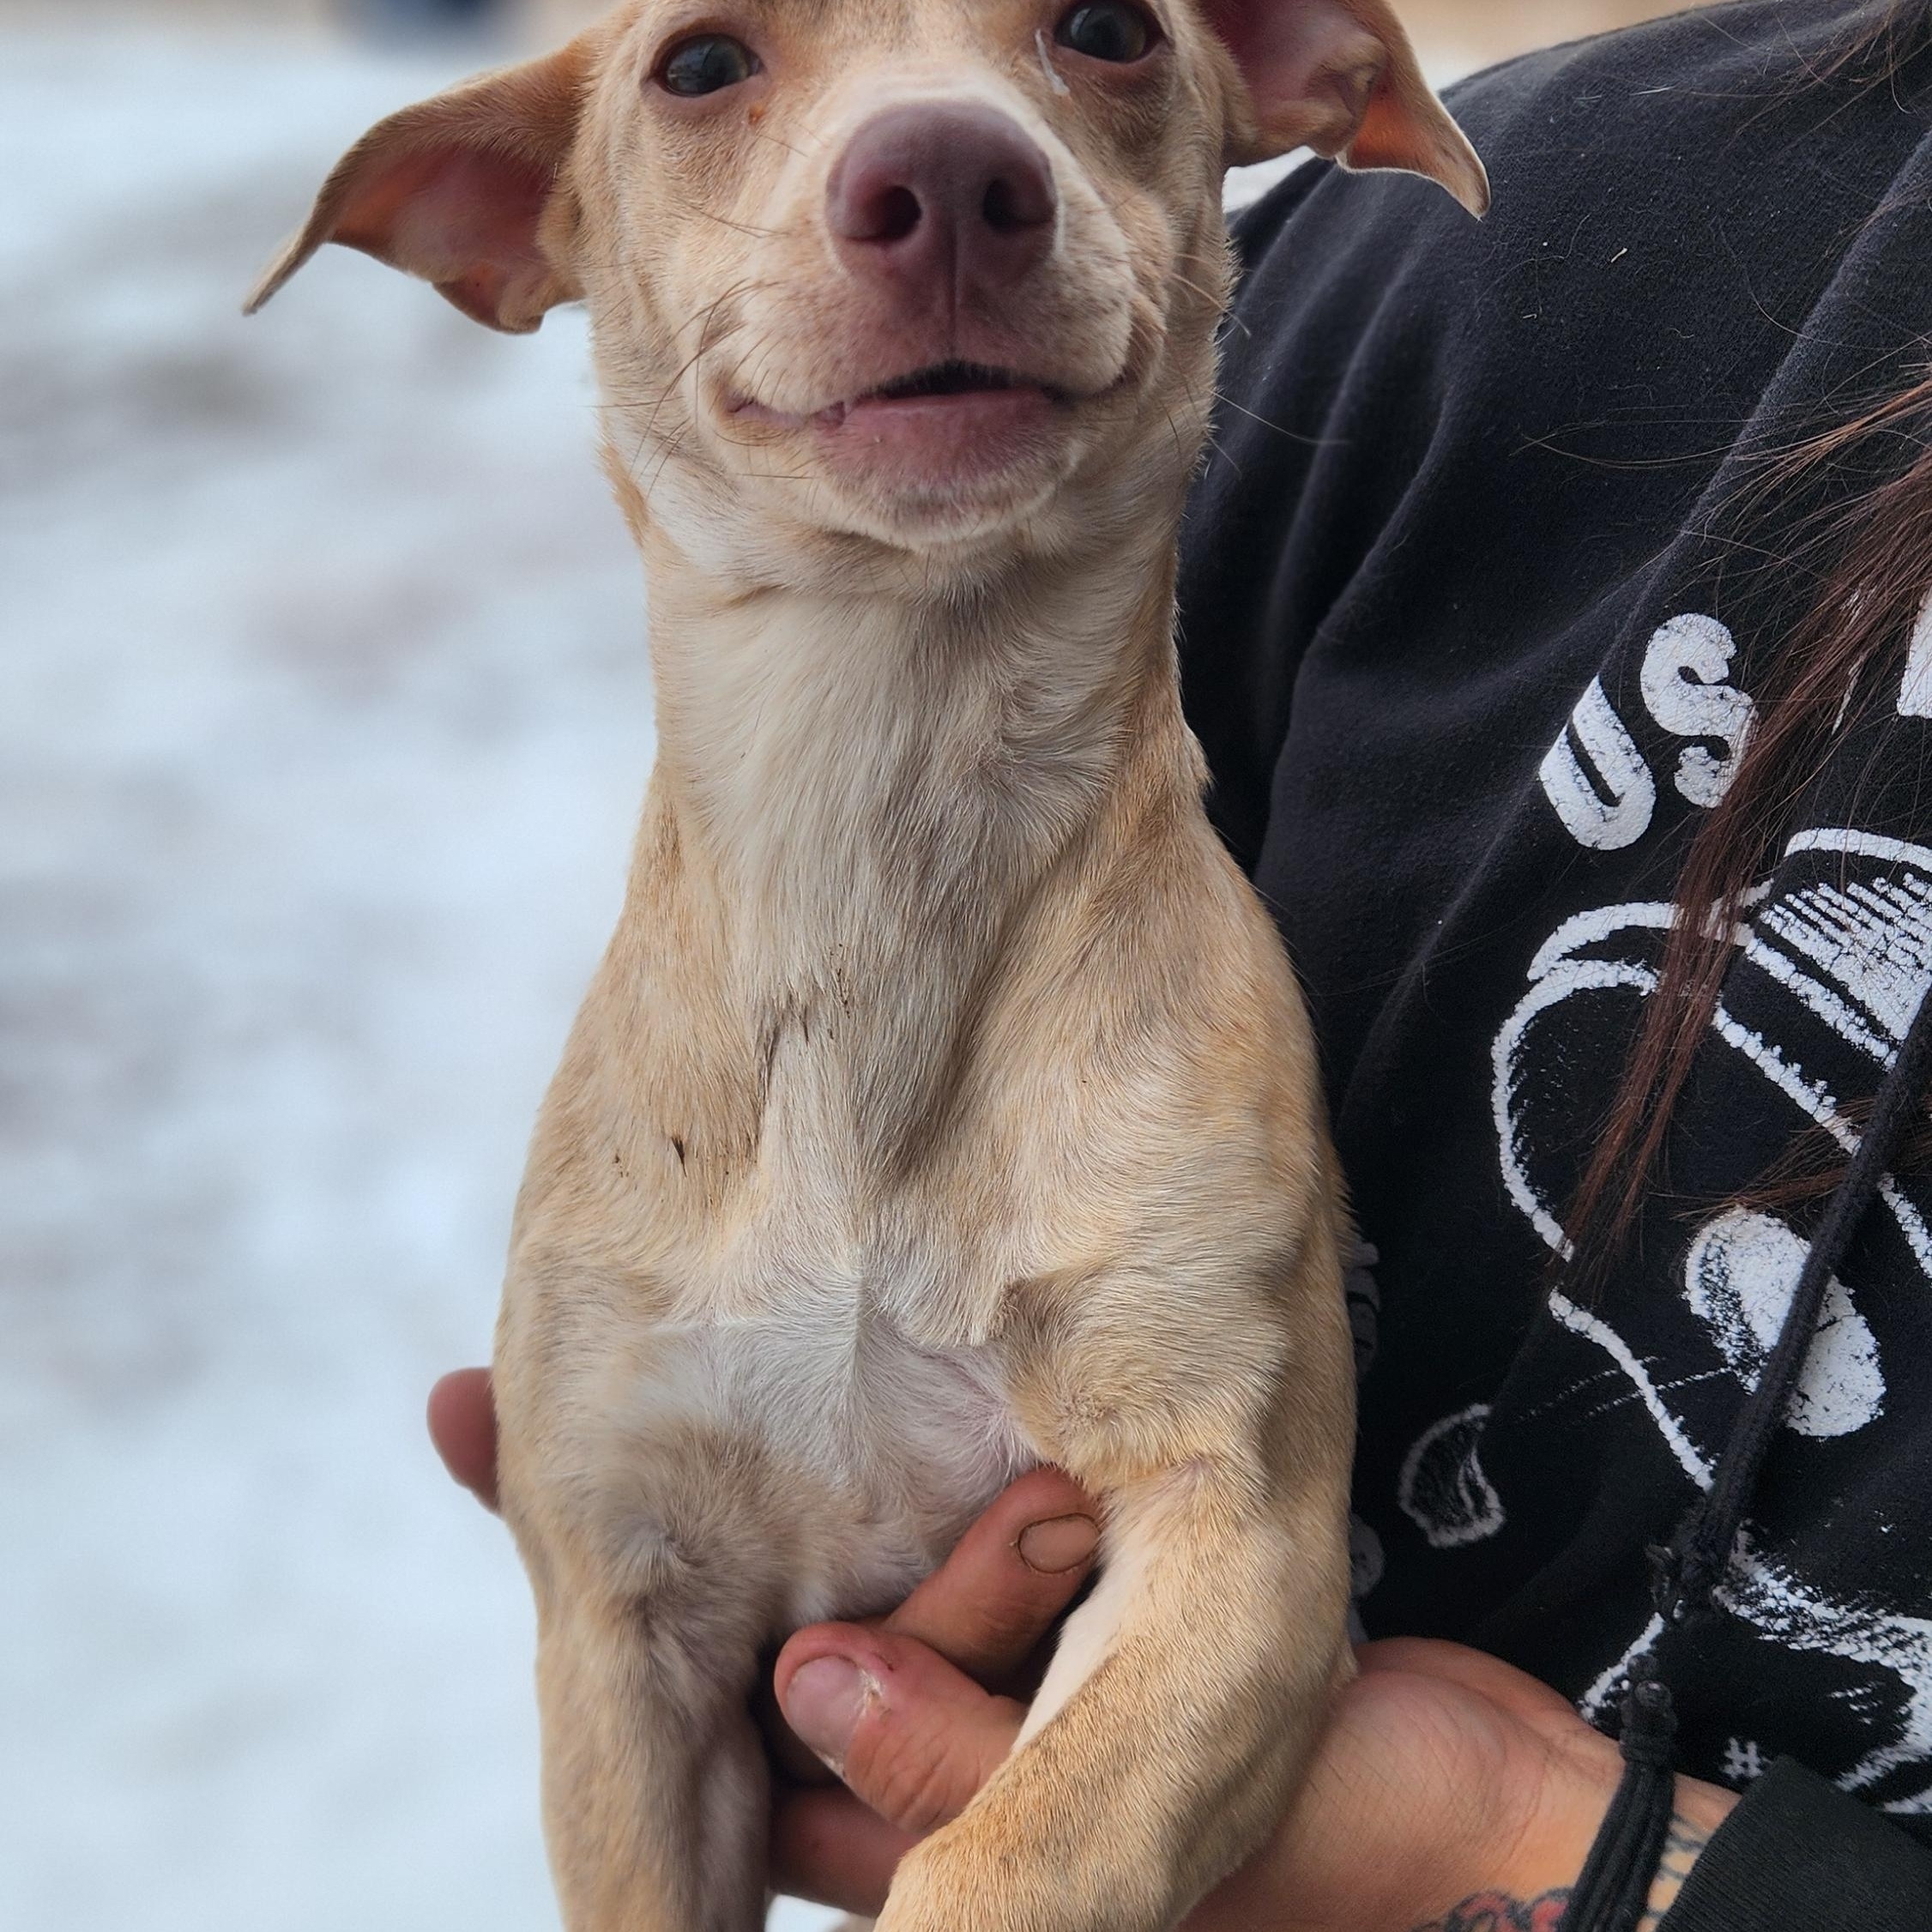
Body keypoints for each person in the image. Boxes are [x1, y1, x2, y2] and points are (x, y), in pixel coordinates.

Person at [428, 1, 1932, 1923]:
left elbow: (1226, 1524)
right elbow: (633, 1655)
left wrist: (1533, 1851)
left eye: (1095, 33)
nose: (940, 153)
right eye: (713, 65)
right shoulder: (1488, 258)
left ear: (1278, 77)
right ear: (514, 214)